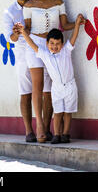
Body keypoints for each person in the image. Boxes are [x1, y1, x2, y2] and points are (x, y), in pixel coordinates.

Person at [19, 0, 78, 143]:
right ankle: (40, 127)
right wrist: (19, 32)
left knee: (51, 87)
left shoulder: (58, 2)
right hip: (36, 45)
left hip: (54, 45)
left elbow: (65, 25)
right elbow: (28, 28)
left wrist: (79, 22)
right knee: (37, 85)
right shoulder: (29, 6)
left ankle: (47, 125)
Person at [17, 13, 85, 144]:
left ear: (62, 44)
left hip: (70, 86)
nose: (54, 46)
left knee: (68, 111)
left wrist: (77, 24)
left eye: (58, 44)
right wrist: (23, 32)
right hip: (57, 88)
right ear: (47, 43)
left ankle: (65, 134)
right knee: (58, 111)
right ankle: (57, 134)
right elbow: (32, 45)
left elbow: (73, 37)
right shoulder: (45, 55)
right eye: (52, 43)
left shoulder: (66, 51)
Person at [4, 0, 53, 143]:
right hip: (23, 55)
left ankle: (46, 129)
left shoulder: (37, 4)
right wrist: (16, 33)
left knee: (47, 90)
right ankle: (29, 131)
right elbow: (10, 38)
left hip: (40, 51)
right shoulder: (9, 12)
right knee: (25, 92)